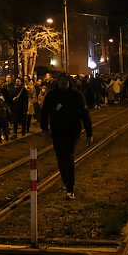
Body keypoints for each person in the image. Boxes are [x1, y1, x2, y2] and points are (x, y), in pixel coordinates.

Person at [40, 72, 93, 200]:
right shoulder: (52, 95)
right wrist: (45, 129)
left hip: (72, 131)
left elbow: (85, 114)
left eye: (65, 82)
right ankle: (65, 181)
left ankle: (70, 187)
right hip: (57, 130)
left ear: (69, 82)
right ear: (58, 82)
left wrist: (89, 133)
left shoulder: (77, 95)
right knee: (60, 157)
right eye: (61, 82)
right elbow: (44, 112)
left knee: (68, 157)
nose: (63, 84)